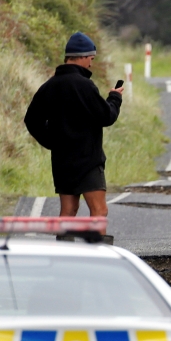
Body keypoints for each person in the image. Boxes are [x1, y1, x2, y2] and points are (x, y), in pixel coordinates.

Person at [24, 32, 123, 234]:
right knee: (99, 211)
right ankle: (99, 259)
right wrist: (114, 98)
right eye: (91, 59)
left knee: (68, 211)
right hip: (88, 160)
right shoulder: (85, 86)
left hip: (62, 161)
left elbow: (31, 120)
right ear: (84, 57)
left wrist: (52, 142)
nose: (91, 64)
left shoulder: (49, 86)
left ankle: (63, 257)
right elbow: (106, 117)